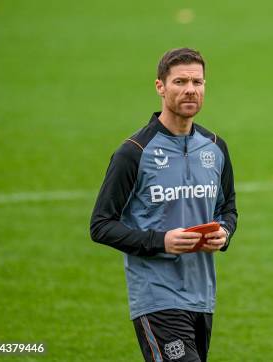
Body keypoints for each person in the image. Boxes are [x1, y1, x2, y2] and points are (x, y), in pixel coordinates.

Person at [90, 48, 237, 362]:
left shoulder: (214, 147)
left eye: (197, 82)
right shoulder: (134, 152)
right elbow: (101, 225)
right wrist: (162, 242)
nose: (190, 89)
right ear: (160, 87)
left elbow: (228, 209)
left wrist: (224, 233)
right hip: (156, 297)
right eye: (180, 81)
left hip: (202, 297)